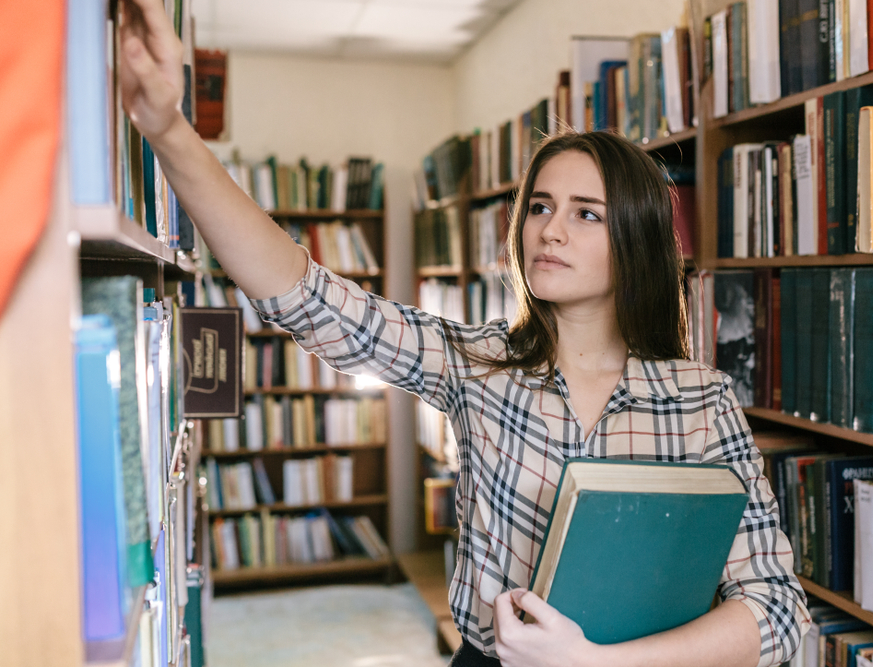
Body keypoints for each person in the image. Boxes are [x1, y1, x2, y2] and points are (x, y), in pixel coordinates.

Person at [121, 1, 811, 665]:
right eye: (540, 206)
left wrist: (600, 662)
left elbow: (778, 610)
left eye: (587, 213)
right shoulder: (479, 362)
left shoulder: (700, 400)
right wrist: (169, 128)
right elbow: (307, 299)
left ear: (637, 239)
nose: (550, 228)